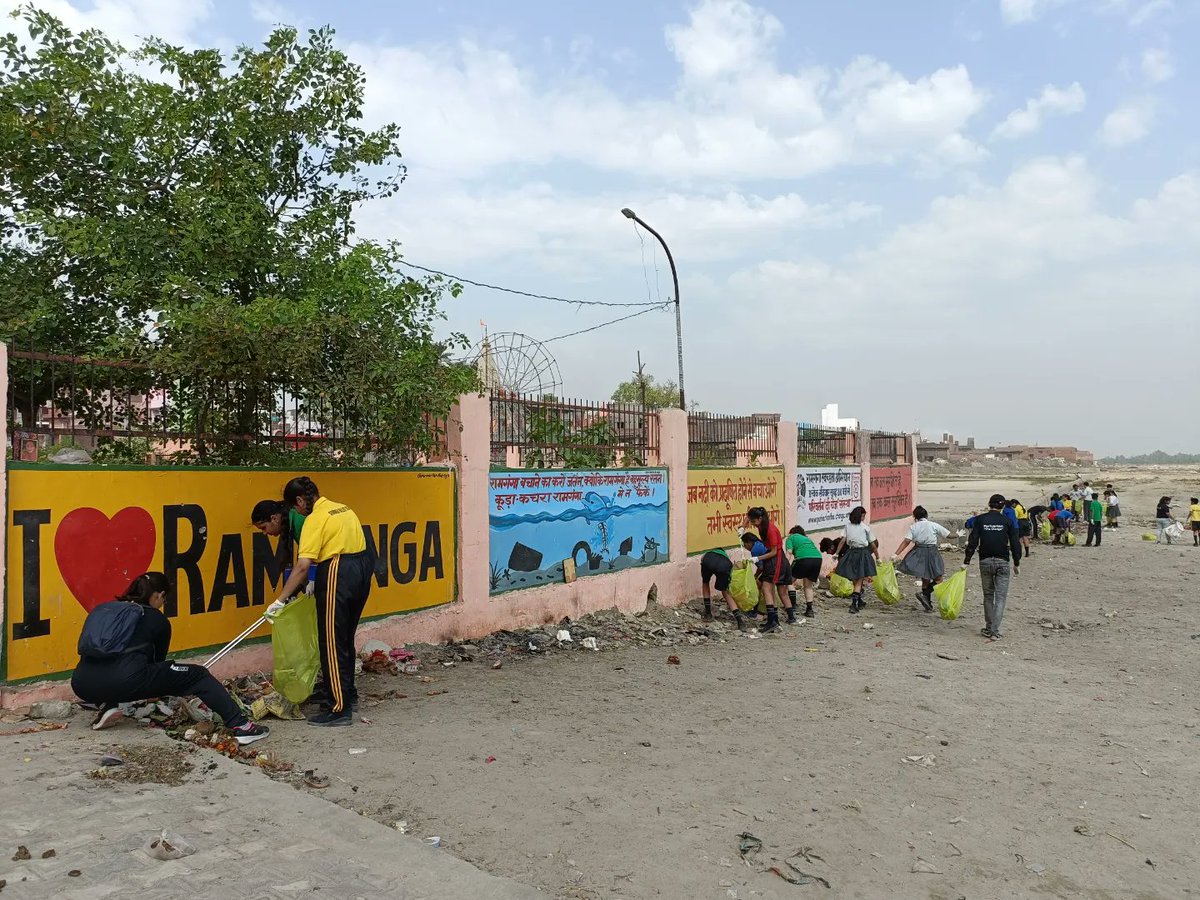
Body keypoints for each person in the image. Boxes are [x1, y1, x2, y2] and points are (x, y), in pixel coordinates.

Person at [71, 572, 270, 744]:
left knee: (116, 668)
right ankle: (241, 726)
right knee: (198, 675)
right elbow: (156, 664)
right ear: (159, 595)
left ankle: (107, 704)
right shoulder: (156, 619)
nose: (162, 604)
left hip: (82, 684)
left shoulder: (105, 610)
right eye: (164, 600)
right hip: (126, 681)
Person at [274, 477, 374, 726]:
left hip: (338, 572)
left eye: (295, 507)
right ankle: (347, 695)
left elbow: (302, 566)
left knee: (330, 641)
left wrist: (279, 600)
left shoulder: (315, 519)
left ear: (300, 501)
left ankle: (338, 709)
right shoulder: (343, 508)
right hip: (361, 569)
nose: (296, 512)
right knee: (344, 639)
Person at [964, 494, 1022, 640]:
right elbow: (1015, 543)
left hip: (985, 561)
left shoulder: (980, 519)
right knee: (1000, 598)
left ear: (989, 504)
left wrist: (966, 560)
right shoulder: (1007, 521)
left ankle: (989, 627)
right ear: (1003, 506)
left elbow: (973, 540)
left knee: (988, 596)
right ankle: (995, 631)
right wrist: (1016, 562)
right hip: (1003, 562)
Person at [745, 506, 795, 632]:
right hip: (771, 560)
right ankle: (774, 620)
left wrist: (758, 558)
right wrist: (742, 527)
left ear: (760, 518)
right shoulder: (761, 524)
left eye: (754, 522)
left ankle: (772, 620)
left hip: (776, 560)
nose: (752, 524)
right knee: (770, 590)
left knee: (767, 588)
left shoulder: (770, 530)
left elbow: (773, 552)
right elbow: (748, 517)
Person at [893, 506, 950, 612]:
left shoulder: (913, 527)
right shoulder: (933, 525)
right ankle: (925, 594)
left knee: (925, 579)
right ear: (926, 515)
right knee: (939, 578)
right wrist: (959, 534)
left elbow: (906, 541)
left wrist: (896, 554)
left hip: (919, 552)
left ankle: (927, 604)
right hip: (932, 552)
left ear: (915, 517)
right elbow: (948, 535)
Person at [833, 506, 879, 614]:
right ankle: (854, 605)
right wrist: (878, 557)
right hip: (862, 553)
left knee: (855, 577)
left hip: (851, 553)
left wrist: (836, 553)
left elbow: (842, 541)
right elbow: (872, 544)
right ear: (861, 516)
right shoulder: (865, 528)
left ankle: (859, 600)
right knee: (859, 579)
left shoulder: (847, 526)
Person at [699, 547, 751, 631]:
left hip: (707, 560)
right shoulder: (726, 558)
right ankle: (740, 621)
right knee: (726, 592)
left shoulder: (709, 552)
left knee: (705, 583)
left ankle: (708, 614)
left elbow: (702, 559)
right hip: (724, 566)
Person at [784, 526, 822, 619]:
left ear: (791, 532)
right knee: (808, 586)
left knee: (788, 581)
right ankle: (809, 610)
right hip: (817, 559)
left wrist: (784, 566)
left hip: (802, 559)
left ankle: (792, 605)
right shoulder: (807, 539)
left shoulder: (790, 538)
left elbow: (789, 552)